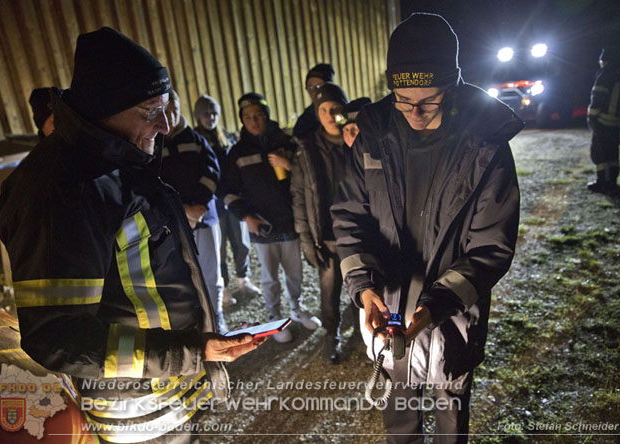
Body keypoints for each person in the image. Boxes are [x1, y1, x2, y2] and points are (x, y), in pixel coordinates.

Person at [0, 27, 260, 444]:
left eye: (165, 107)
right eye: (149, 110)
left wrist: (195, 352)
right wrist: (187, 352)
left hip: (170, 396)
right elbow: (58, 337)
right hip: (139, 417)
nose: (165, 125)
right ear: (104, 107)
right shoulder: (62, 189)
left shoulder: (114, 158)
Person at [330, 13, 523, 444]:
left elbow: (492, 246)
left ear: (452, 89)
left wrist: (434, 308)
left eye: (429, 101)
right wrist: (364, 289)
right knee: (399, 416)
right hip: (391, 314)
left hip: (453, 316)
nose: (414, 113)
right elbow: (349, 217)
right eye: (402, 99)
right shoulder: (372, 136)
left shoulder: (486, 144)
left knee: (451, 415)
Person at [220, 92, 321, 343]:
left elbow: (312, 174)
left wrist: (289, 165)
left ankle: (296, 310)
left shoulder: (287, 142)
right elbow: (227, 192)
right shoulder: (238, 152)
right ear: (242, 121)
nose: (254, 121)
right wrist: (246, 217)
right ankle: (275, 318)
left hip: (291, 222)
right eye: (247, 117)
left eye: (258, 115)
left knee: (295, 274)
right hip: (262, 227)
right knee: (270, 278)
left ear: (267, 115)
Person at [160, 89, 227, 333]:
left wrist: (197, 207)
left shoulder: (196, 140)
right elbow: (154, 185)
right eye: (165, 111)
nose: (170, 116)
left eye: (174, 110)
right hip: (174, 222)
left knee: (212, 272)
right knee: (182, 274)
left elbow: (211, 173)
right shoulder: (153, 143)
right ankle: (195, 319)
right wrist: (181, 211)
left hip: (204, 218)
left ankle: (217, 315)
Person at [291, 82, 349, 363]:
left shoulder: (360, 140)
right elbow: (299, 198)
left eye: (335, 107)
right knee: (329, 292)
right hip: (326, 236)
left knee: (367, 289)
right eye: (323, 109)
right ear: (317, 113)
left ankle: (368, 335)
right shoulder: (307, 150)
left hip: (359, 234)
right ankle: (331, 334)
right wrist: (306, 240)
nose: (329, 114)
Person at [194, 94, 261, 304]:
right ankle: (223, 287)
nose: (210, 117)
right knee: (219, 248)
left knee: (241, 242)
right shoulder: (196, 140)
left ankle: (244, 279)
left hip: (232, 199)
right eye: (206, 113)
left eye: (214, 113)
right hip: (213, 204)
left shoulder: (227, 137)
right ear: (198, 116)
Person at [586, 47, 620, 192]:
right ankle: (612, 181)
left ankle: (601, 181)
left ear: (604, 61)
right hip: (616, 121)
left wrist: (591, 117)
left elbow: (597, 97)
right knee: (612, 151)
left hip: (602, 121)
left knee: (598, 151)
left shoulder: (604, 74)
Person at [292, 63, 335, 141]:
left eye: (319, 86)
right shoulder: (305, 120)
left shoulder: (345, 110)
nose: (314, 91)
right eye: (310, 87)